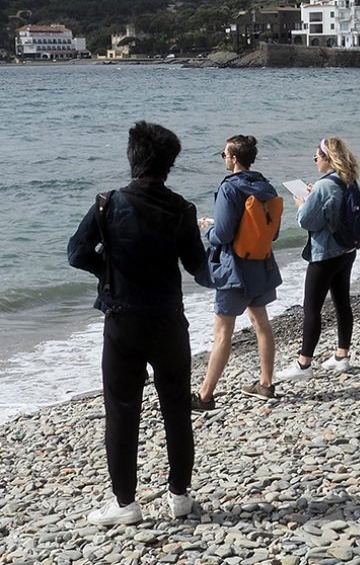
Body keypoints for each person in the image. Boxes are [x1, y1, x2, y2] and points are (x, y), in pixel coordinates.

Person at [67, 121, 206, 526]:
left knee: (122, 410)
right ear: (170, 164)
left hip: (123, 320)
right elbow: (198, 269)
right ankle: (179, 495)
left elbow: (76, 253)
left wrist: (106, 272)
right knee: (176, 409)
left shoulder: (107, 204)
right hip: (168, 321)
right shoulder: (182, 210)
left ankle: (125, 503)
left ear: (133, 158)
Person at [192, 135, 282, 411]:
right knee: (262, 324)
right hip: (261, 263)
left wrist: (207, 227)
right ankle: (266, 384)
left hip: (234, 269)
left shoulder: (229, 189)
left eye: (224, 154)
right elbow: (274, 232)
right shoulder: (266, 186)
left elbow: (224, 233)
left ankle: (205, 396)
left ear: (233, 158)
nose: (224, 158)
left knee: (222, 333)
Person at [276, 137, 360, 382]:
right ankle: (342, 355)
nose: (315, 162)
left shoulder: (325, 186)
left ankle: (304, 365)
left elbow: (306, 221)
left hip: (325, 253)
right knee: (342, 302)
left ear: (327, 159)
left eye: (316, 158)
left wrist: (302, 204)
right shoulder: (348, 180)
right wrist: (314, 197)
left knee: (311, 308)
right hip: (347, 250)